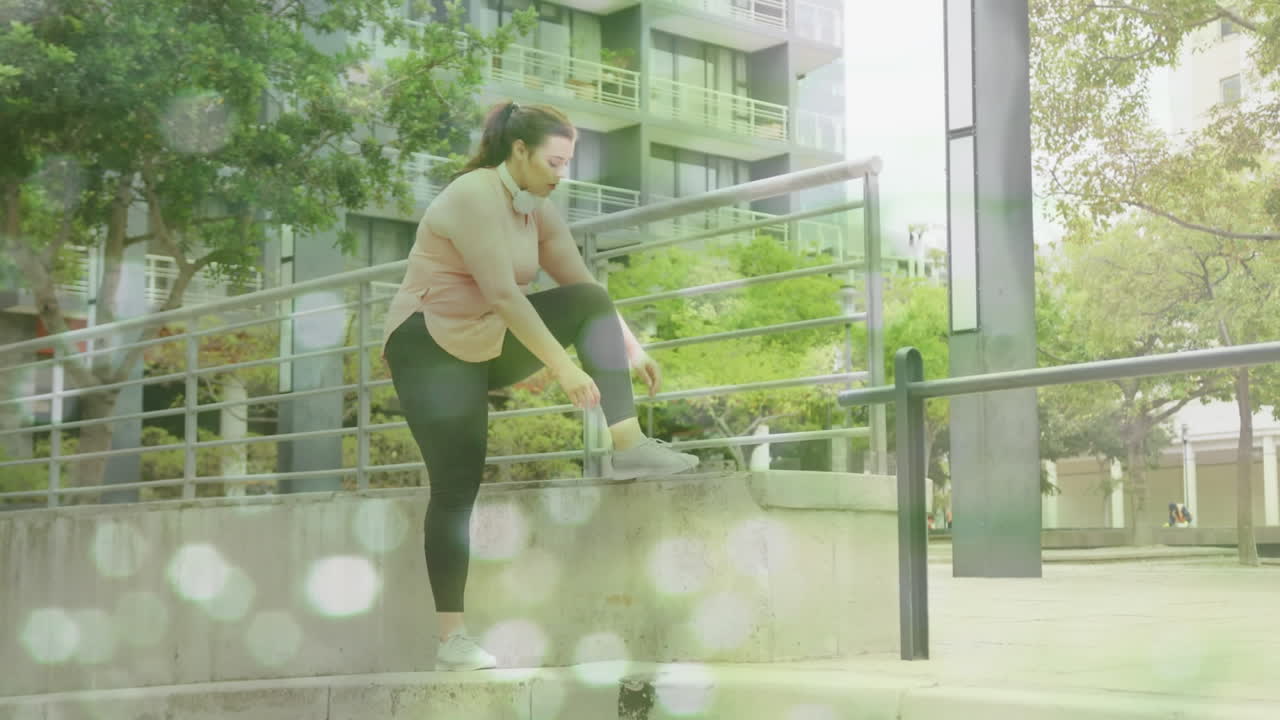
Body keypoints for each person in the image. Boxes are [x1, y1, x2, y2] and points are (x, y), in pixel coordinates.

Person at [380, 100, 700, 672]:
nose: (560, 174)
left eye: (567, 164)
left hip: (484, 336)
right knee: (456, 485)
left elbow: (581, 284)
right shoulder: (473, 195)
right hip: (426, 345)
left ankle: (628, 445)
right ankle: (452, 639)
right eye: (553, 162)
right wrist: (565, 368)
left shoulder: (537, 210)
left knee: (588, 301)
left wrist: (633, 348)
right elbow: (505, 294)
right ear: (519, 151)